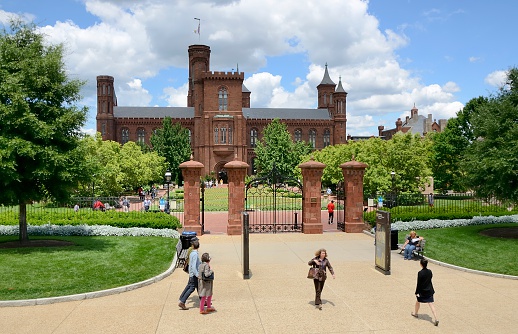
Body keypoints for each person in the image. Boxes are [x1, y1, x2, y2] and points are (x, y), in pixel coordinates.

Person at [412, 259, 439, 326]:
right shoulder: (430, 271)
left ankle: (415, 313)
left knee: (417, 302)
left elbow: (419, 283)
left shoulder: (420, 273)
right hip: (429, 290)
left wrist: (416, 292)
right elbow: (431, 277)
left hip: (422, 291)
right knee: (431, 304)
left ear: (421, 264)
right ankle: (436, 318)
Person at [178, 240, 201, 310]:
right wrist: (197, 274)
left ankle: (203, 300)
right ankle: (182, 302)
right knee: (192, 288)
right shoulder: (195, 254)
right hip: (194, 275)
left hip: (192, 274)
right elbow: (193, 266)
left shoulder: (192, 253)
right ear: (198, 246)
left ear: (192, 246)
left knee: (197, 287)